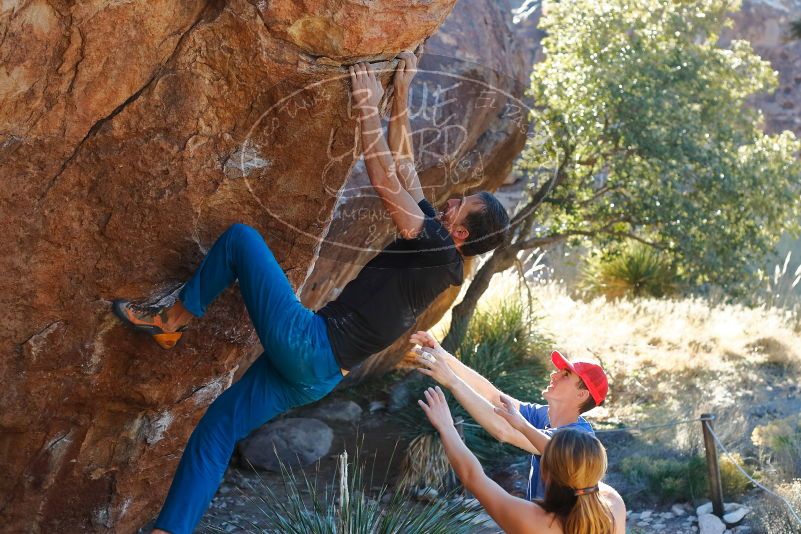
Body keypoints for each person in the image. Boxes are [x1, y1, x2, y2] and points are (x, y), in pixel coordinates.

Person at [112, 55, 510, 534]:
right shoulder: (442, 254)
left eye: (458, 206)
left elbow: (386, 180)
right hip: (318, 374)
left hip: (310, 344)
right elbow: (406, 170)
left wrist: (366, 103)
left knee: (241, 240)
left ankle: (170, 322)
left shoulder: (435, 248)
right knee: (217, 429)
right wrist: (400, 94)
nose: (448, 202)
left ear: (461, 234)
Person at [413, 331, 608, 500]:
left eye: (565, 375)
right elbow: (493, 396)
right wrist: (444, 356)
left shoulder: (577, 439)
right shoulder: (544, 416)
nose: (554, 375)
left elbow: (503, 430)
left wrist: (452, 381)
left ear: (581, 395)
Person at [418, 386, 626, 534]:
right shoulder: (614, 505)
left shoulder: (533, 522)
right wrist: (523, 426)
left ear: (545, 471)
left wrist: (445, 426)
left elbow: (472, 476)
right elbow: (578, 469)